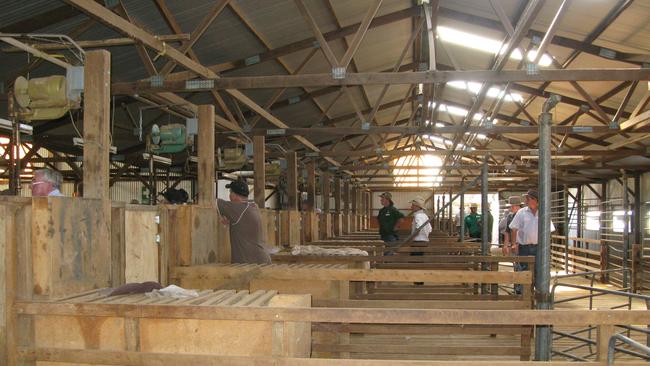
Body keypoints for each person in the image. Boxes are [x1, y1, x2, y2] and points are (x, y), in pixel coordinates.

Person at [509, 189, 555, 294]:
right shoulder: (521, 212)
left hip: (540, 247)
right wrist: (514, 244)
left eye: (528, 198)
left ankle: (539, 292)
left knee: (540, 269)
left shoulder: (544, 213)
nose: (526, 200)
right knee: (524, 269)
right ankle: (523, 292)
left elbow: (549, 230)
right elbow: (514, 228)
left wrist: (547, 245)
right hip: (524, 247)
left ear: (535, 200)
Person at [217, 179, 271, 264]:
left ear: (234, 195)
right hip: (261, 260)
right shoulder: (253, 206)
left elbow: (213, 202)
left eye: (230, 192)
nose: (229, 195)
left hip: (250, 263)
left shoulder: (239, 208)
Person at [410, 196, 431, 285]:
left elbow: (418, 228)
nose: (411, 207)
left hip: (418, 242)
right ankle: (419, 279)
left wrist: (412, 237)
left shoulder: (418, 216)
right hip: (424, 241)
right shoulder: (425, 216)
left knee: (416, 262)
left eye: (413, 205)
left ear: (418, 207)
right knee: (419, 261)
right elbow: (430, 229)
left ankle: (418, 280)